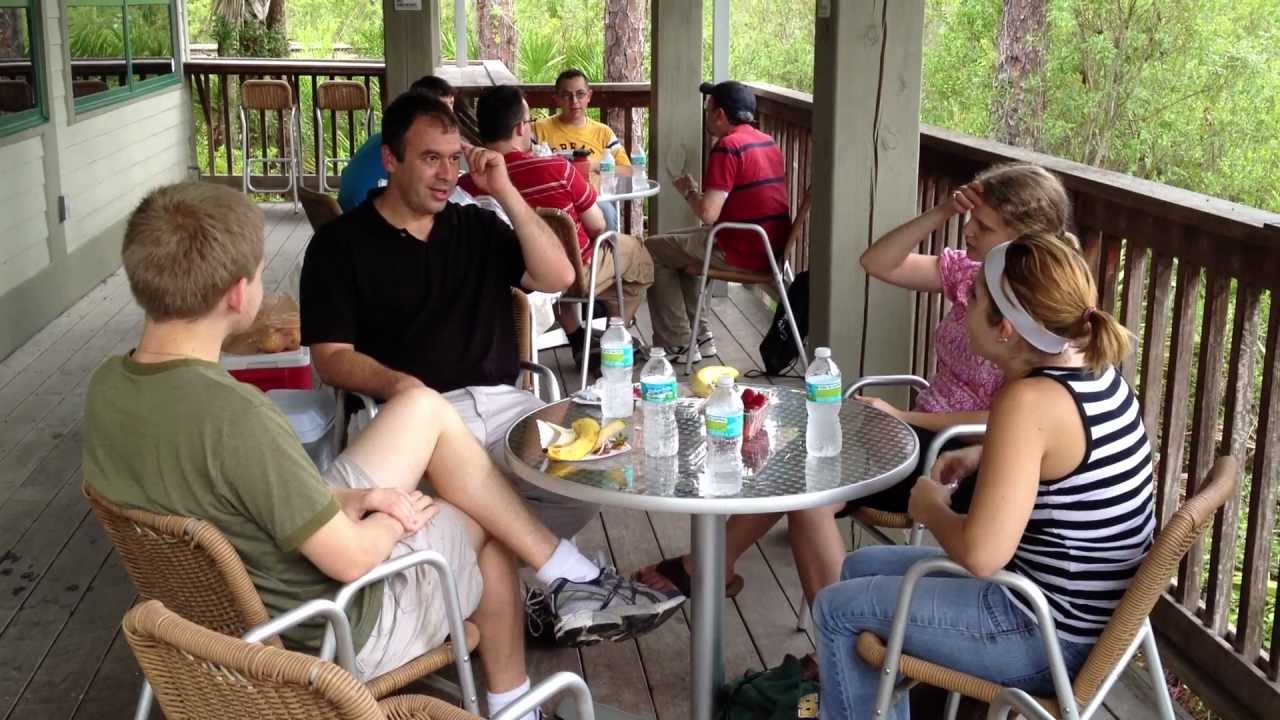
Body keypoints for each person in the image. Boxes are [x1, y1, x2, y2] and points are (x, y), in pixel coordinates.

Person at [83, 183, 684, 720]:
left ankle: (564, 574)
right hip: (332, 625)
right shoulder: (236, 417)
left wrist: (356, 498)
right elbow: (349, 560)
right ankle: (516, 697)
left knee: (423, 408)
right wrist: (397, 514)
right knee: (480, 519)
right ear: (239, 295)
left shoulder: (109, 386)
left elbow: (245, 490)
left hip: (233, 600)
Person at [634, 163, 1074, 612]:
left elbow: (1012, 422)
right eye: (971, 218)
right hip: (917, 431)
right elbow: (878, 262)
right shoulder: (969, 275)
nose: (969, 229)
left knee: (809, 490)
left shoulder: (1036, 324)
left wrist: (905, 417)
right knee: (803, 452)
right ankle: (716, 565)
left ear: (1025, 243)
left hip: (964, 454)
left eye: (985, 226)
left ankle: (826, 626)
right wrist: (941, 211)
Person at [813, 233, 1154, 719]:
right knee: (858, 568)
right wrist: (981, 454)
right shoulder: (1093, 370)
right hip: (1086, 619)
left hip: (1045, 636)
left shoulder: (1027, 401)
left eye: (973, 299)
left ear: (1006, 331)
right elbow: (1062, 467)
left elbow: (981, 554)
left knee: (836, 611)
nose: (962, 308)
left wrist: (928, 505)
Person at [300, 93, 601, 542]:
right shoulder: (339, 245)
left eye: (453, 159)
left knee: (585, 481)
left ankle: (489, 551)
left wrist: (505, 191)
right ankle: (535, 564)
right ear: (390, 159)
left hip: (504, 406)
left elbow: (558, 276)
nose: (447, 174)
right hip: (407, 420)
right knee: (429, 519)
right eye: (430, 158)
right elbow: (331, 357)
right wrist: (401, 387)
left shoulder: (477, 226)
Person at [460, 85, 653, 366]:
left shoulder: (466, 186)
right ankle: (612, 341)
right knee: (637, 255)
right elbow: (598, 225)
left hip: (511, 278)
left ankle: (579, 339)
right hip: (571, 273)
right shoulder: (557, 169)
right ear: (519, 128)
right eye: (529, 121)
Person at [645, 80, 791, 365]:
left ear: (720, 114)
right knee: (676, 247)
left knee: (651, 249)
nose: (706, 113)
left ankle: (677, 342)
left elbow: (709, 214)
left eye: (708, 107)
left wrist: (687, 190)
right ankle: (700, 336)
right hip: (768, 246)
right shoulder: (767, 141)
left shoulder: (728, 146)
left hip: (740, 249)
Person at [337, 75, 461, 212]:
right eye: (432, 159)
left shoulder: (388, 136)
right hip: (366, 213)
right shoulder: (406, 146)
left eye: (451, 105)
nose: (450, 115)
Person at [533, 68, 633, 232]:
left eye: (580, 94)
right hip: (554, 199)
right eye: (566, 95)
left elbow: (628, 171)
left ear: (589, 96)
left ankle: (607, 249)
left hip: (593, 199)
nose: (574, 101)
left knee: (607, 213)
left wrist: (595, 166)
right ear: (557, 99)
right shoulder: (538, 129)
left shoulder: (603, 132)